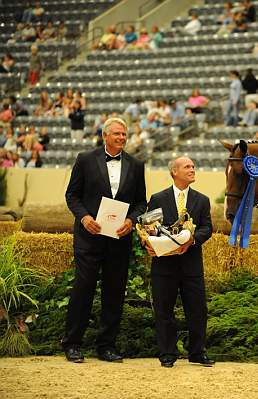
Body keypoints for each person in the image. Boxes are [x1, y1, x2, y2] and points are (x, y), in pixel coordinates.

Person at [62, 117, 147, 363]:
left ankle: (106, 346)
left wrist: (131, 221)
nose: (122, 138)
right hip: (89, 238)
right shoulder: (85, 159)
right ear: (105, 135)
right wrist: (85, 217)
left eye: (124, 134)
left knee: (114, 292)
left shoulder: (137, 165)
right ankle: (72, 344)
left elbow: (141, 202)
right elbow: (72, 195)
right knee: (83, 289)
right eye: (117, 134)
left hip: (119, 240)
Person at [144, 156, 214, 368]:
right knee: (164, 310)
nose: (192, 169)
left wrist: (192, 239)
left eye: (193, 166)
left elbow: (207, 228)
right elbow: (148, 227)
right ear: (174, 171)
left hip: (191, 265)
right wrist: (147, 245)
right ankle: (167, 353)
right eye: (187, 167)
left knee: (198, 310)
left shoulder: (202, 200)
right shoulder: (157, 198)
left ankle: (197, 352)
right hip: (164, 266)